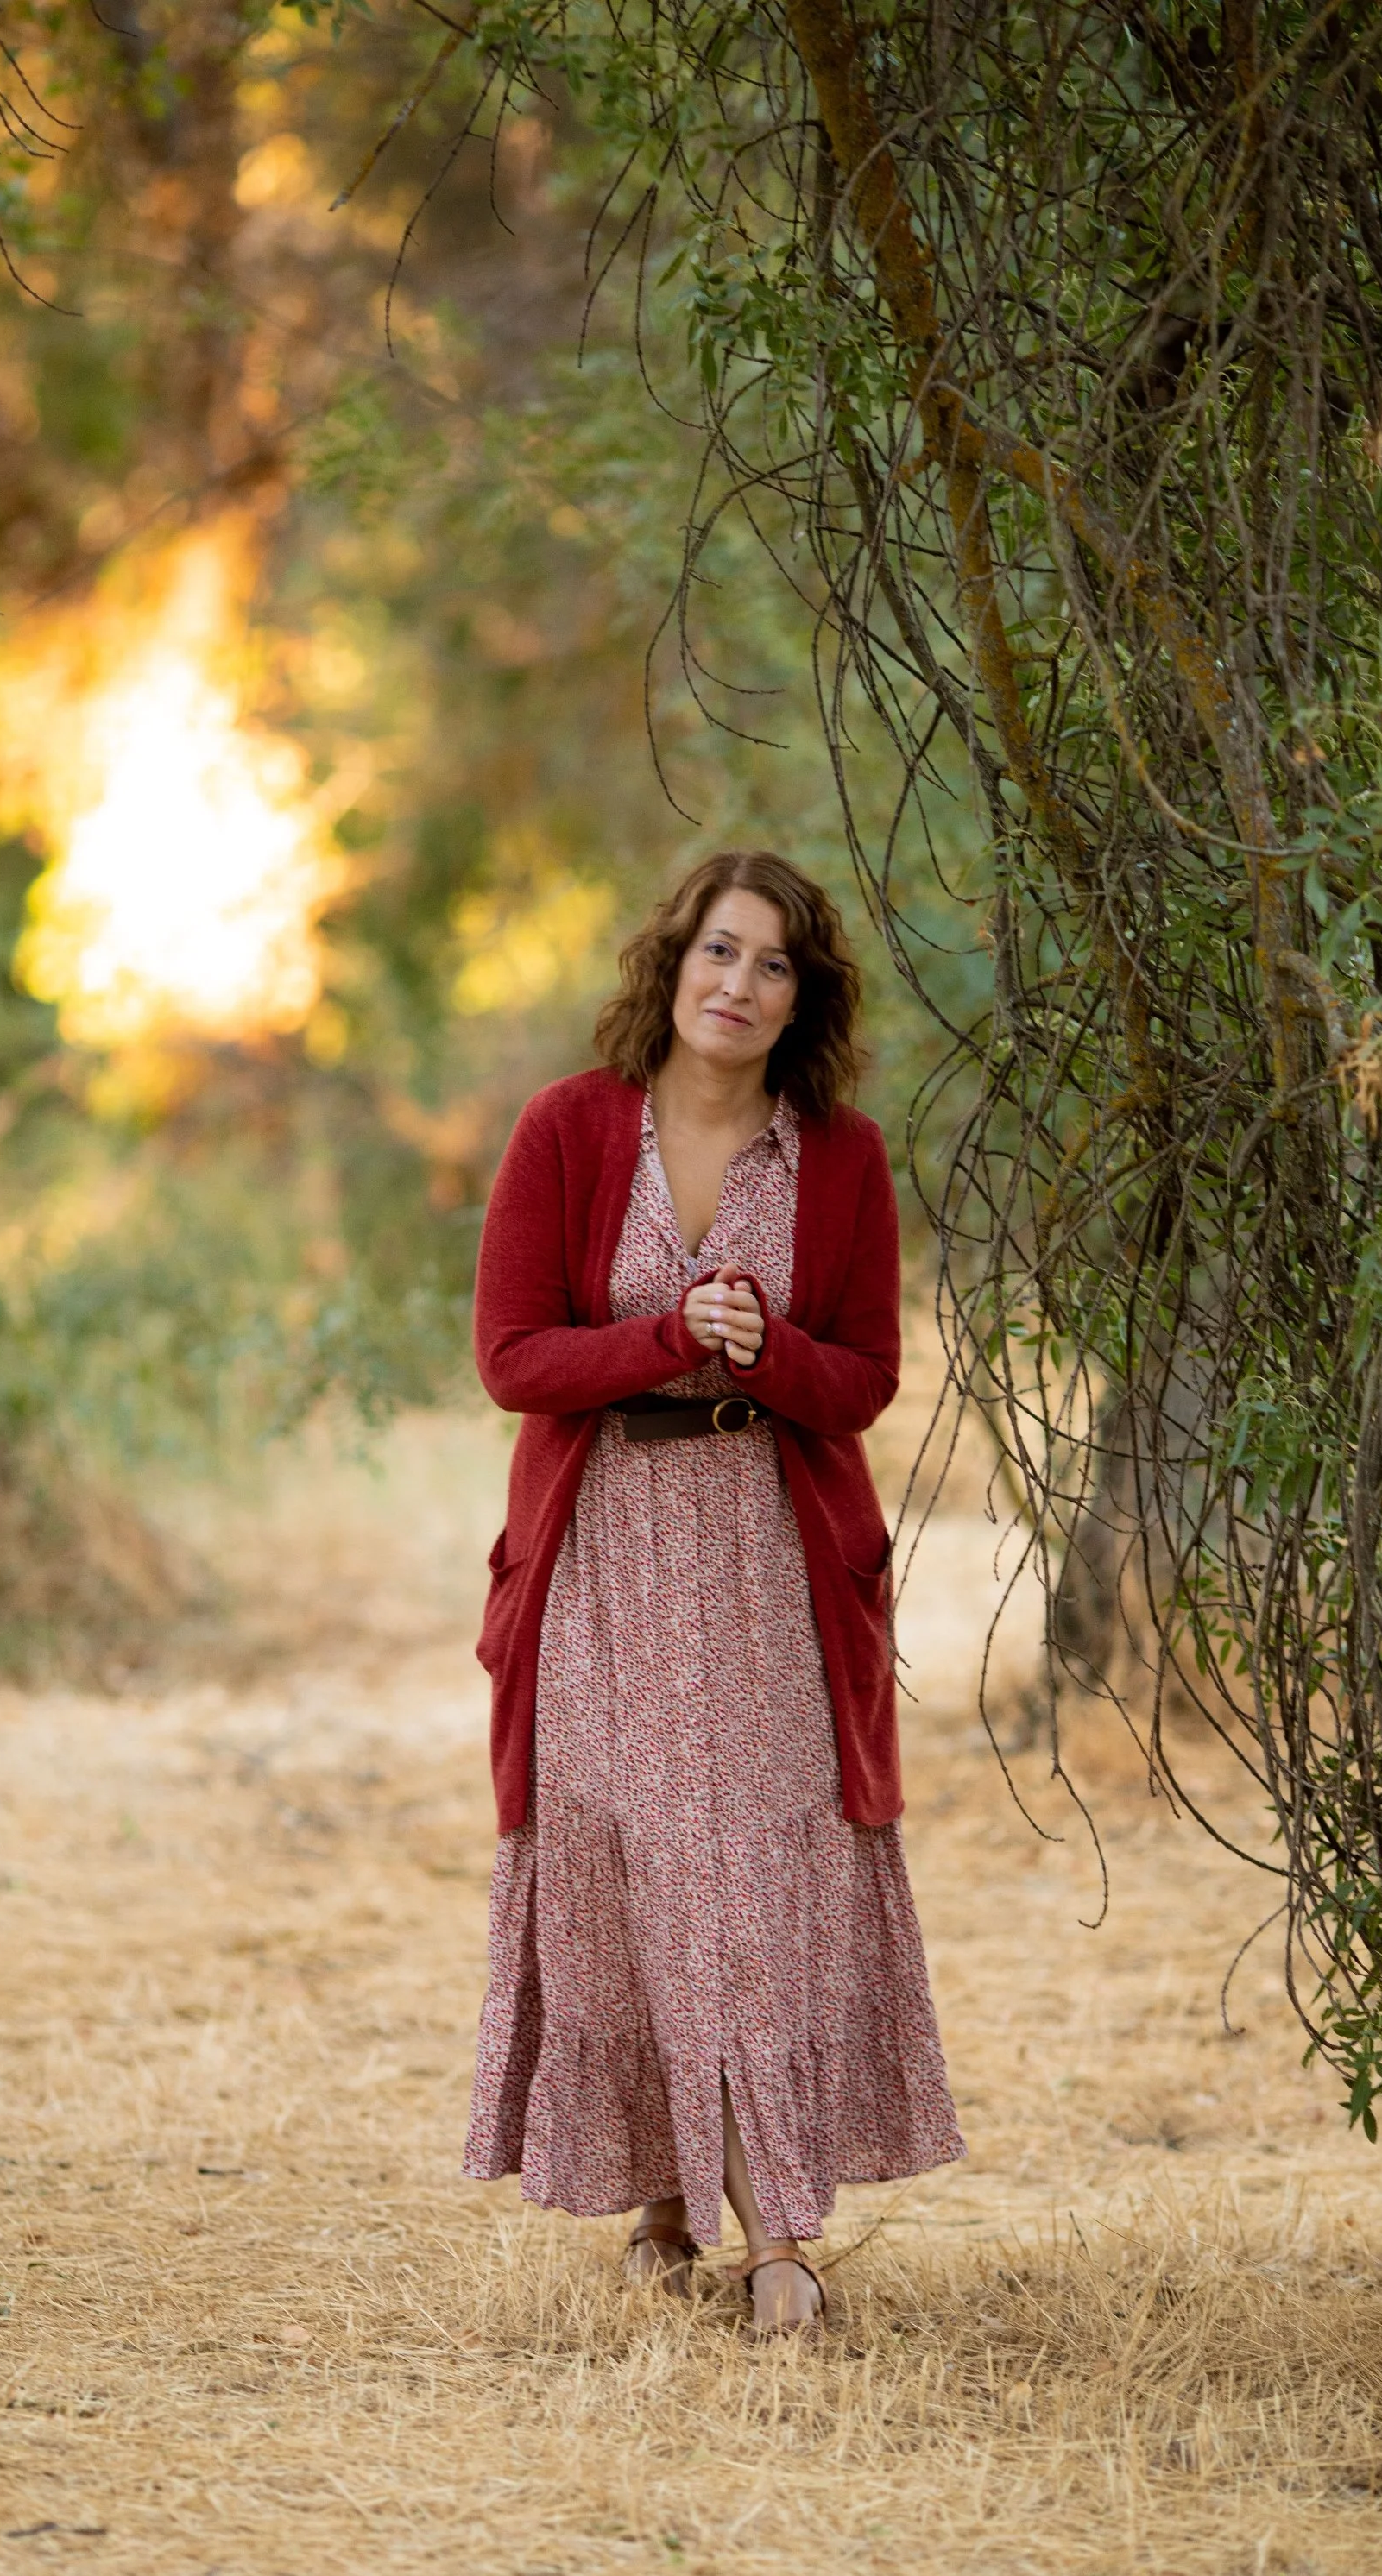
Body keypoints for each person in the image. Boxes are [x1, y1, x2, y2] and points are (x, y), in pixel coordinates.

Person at [462, 849, 962, 2334]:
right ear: (670, 963)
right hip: (603, 1548)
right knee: (626, 1865)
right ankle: (669, 2200)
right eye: (718, 953)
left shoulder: (841, 1157)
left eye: (772, 966)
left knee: (742, 1880)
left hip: (764, 1562)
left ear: (801, 997)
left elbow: (863, 1381)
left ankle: (782, 2239)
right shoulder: (566, 1129)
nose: (738, 986)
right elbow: (511, 1358)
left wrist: (756, 1355)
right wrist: (665, 1332)